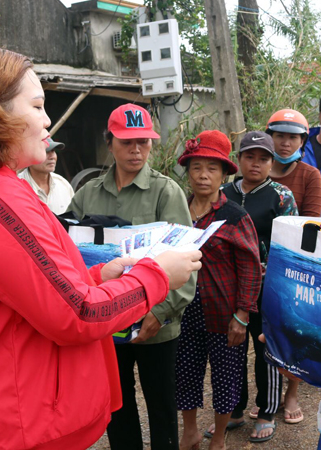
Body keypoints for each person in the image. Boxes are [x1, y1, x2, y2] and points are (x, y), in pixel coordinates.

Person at [0, 45, 201, 450]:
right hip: (18, 422)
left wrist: (95, 275)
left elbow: (28, 287)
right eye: (37, 105)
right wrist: (156, 276)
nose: (48, 120)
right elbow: (80, 312)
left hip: (22, 409)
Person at [68, 103, 196, 450]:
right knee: (116, 404)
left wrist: (160, 312)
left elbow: (186, 260)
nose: (136, 150)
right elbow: (71, 257)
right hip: (107, 323)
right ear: (109, 143)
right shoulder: (86, 195)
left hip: (158, 325)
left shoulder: (165, 192)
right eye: (127, 142)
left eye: (144, 141)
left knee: (162, 406)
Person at [175, 130, 262, 450]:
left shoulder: (234, 216)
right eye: (196, 167)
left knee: (226, 378)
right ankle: (189, 431)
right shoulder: (179, 211)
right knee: (185, 373)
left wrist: (242, 315)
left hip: (224, 312)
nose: (203, 175)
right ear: (188, 172)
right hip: (184, 310)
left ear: (224, 173)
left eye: (212, 168)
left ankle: (220, 438)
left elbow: (251, 268)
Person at [222, 131, 297, 443]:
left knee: (265, 346)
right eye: (249, 156)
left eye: (263, 158)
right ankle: (236, 410)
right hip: (229, 283)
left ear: (272, 162)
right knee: (232, 347)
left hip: (267, 285)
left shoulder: (281, 197)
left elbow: (290, 246)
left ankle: (266, 410)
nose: (255, 163)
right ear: (238, 160)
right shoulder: (224, 192)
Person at [265, 109, 321, 216]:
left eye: (293, 137)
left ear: (302, 141)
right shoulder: (256, 170)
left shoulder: (311, 175)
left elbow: (310, 221)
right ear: (270, 138)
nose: (286, 143)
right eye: (280, 136)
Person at [17, 138, 74, 214]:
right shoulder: (17, 186)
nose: (52, 157)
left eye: (53, 151)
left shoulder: (63, 184)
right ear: (29, 156)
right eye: (46, 151)